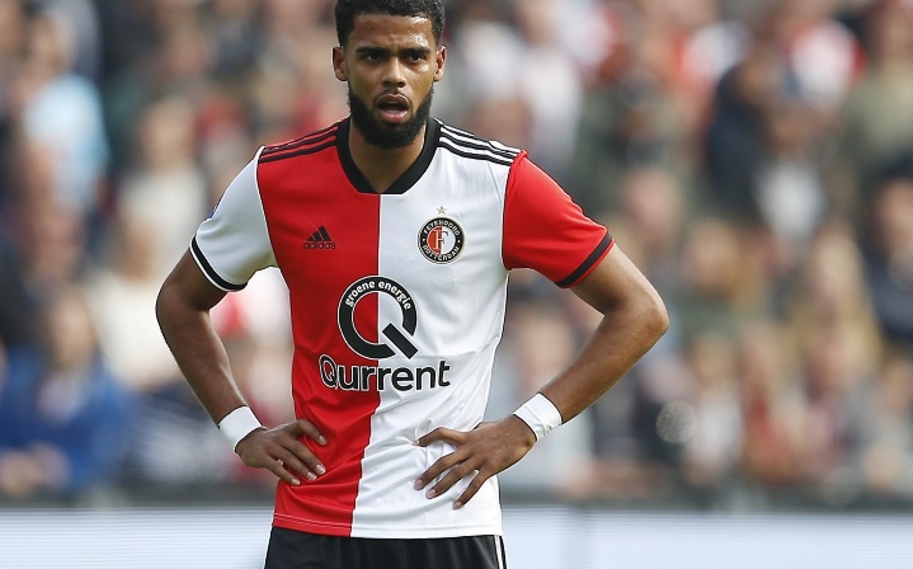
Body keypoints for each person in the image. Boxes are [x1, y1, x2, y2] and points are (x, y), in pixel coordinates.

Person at [155, 1, 669, 567]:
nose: (394, 74)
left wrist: (527, 425)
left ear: (440, 63)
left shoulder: (498, 184)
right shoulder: (274, 181)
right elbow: (179, 300)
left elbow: (641, 310)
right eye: (374, 56)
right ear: (340, 62)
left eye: (413, 56)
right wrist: (240, 427)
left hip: (450, 522)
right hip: (316, 522)